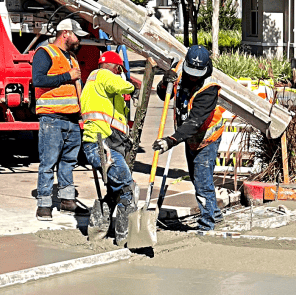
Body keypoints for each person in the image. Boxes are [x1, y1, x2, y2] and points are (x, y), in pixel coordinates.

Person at [153, 45, 226, 231]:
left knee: (202, 182)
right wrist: (164, 82)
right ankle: (214, 214)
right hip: (189, 136)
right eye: (190, 72)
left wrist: (170, 140)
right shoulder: (177, 70)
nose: (193, 77)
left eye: (196, 74)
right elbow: (164, 95)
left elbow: (194, 122)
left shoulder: (209, 88)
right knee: (196, 178)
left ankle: (207, 224)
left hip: (206, 138)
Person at [32, 18, 88, 221]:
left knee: (68, 162)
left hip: (72, 119)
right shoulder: (45, 53)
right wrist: (67, 76)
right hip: (52, 118)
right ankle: (44, 204)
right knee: (48, 162)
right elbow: (38, 80)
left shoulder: (71, 57)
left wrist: (83, 111)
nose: (78, 40)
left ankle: (67, 200)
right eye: (76, 36)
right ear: (65, 33)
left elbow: (77, 85)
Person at [80, 50, 137, 244]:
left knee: (115, 190)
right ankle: (125, 237)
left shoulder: (97, 84)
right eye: (119, 70)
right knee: (127, 188)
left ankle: (97, 231)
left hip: (102, 144)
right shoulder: (103, 75)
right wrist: (131, 86)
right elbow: (121, 85)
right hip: (103, 146)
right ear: (117, 67)